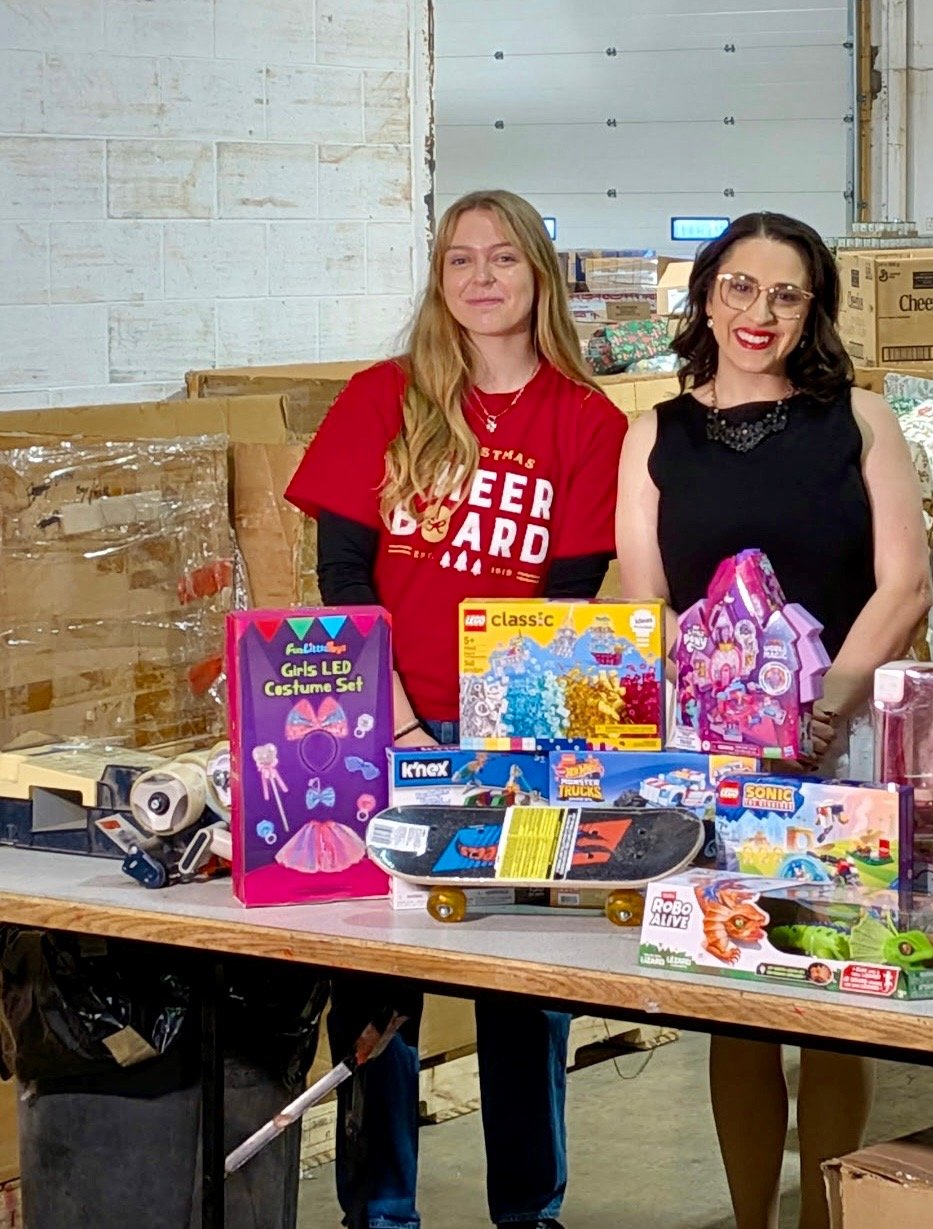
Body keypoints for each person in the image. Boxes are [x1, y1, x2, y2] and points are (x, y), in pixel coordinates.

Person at [286, 189, 628, 1229]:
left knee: (524, 993)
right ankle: (379, 1211)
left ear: (540, 276)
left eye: (503, 259)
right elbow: (342, 574)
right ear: (441, 280)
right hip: (383, 729)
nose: (481, 279)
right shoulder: (383, 396)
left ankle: (530, 1211)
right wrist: (392, 721)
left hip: (513, 740)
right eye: (459, 260)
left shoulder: (588, 420)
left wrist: (494, 748)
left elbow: (567, 597)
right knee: (375, 993)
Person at [615, 211, 932, 1229]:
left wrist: (829, 703)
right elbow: (642, 601)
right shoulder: (651, 433)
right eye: (741, 287)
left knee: (834, 1002)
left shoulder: (861, 420)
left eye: (786, 293)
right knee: (736, 1005)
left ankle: (825, 1218)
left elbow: (907, 584)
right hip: (714, 758)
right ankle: (752, 1217)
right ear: (707, 295)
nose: (760, 312)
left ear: (814, 309)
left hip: (839, 744)